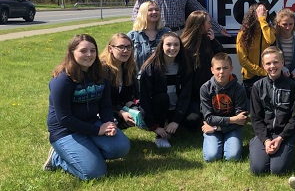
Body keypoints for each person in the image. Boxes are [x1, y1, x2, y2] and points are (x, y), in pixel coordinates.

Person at [43, 34, 130, 180]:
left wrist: (108, 123)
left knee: (121, 148)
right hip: (65, 131)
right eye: (83, 51)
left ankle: (86, 153)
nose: (89, 55)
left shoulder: (100, 75)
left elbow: (105, 105)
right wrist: (97, 130)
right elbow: (64, 119)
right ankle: (58, 159)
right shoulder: (62, 80)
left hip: (90, 122)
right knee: (95, 173)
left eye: (93, 50)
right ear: (71, 53)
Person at [249, 47, 295, 175]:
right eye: (268, 63)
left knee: (278, 170)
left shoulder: (292, 86)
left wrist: (280, 138)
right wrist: (266, 140)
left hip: (285, 134)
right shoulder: (257, 86)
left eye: (275, 62)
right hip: (265, 133)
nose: (272, 66)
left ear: (282, 63)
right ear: (263, 65)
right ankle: (256, 143)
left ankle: (285, 148)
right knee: (258, 169)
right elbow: (256, 118)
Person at [138, 32, 194, 148]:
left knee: (194, 120)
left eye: (176, 45)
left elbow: (185, 95)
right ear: (161, 46)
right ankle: (160, 135)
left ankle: (171, 125)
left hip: (176, 108)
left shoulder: (184, 66)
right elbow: (145, 99)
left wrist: (176, 121)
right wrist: (153, 126)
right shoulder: (150, 68)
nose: (172, 48)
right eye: (168, 45)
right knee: (162, 98)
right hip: (158, 108)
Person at [200, 53, 248, 162]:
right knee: (211, 157)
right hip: (216, 126)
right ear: (212, 70)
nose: (221, 72)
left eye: (225, 68)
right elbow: (208, 118)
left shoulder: (238, 89)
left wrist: (217, 128)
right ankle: (218, 144)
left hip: (229, 128)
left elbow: (242, 120)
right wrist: (233, 119)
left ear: (231, 69)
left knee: (233, 157)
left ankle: (226, 143)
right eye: (218, 68)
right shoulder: (205, 88)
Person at [181, 10, 224, 123]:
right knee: (192, 121)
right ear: (199, 25)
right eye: (208, 23)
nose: (210, 25)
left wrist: (214, 41)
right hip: (192, 93)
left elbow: (221, 59)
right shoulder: (184, 45)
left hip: (210, 90)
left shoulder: (209, 40)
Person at [99, 33, 143, 129]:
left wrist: (133, 109)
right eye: (121, 47)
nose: (126, 50)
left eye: (128, 47)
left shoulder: (129, 67)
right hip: (102, 110)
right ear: (110, 49)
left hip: (117, 107)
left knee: (143, 113)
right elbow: (101, 102)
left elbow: (128, 97)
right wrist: (121, 112)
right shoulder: (102, 69)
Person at [236, 3, 277, 98]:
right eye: (259, 12)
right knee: (252, 107)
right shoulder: (243, 34)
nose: (263, 13)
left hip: (267, 75)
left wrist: (262, 20)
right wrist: (261, 71)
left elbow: (270, 40)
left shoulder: (269, 29)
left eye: (264, 12)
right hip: (250, 77)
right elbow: (243, 60)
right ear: (253, 14)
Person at [274, 8, 295, 97]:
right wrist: (282, 68)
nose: (288, 27)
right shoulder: (273, 38)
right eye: (284, 24)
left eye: (291, 24)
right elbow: (271, 57)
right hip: (278, 74)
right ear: (278, 23)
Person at [128, 1, 171, 71]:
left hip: (163, 76)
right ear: (143, 13)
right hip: (140, 78)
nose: (154, 12)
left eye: (157, 10)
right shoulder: (132, 36)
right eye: (150, 10)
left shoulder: (167, 32)